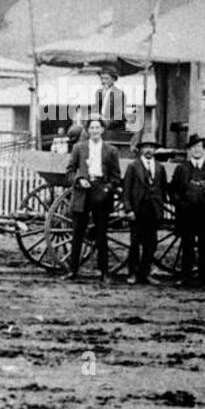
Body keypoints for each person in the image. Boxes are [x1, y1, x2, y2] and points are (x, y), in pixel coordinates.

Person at [62, 115, 122, 283]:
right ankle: (72, 270)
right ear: (87, 131)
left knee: (101, 234)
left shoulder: (111, 150)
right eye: (92, 128)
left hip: (101, 193)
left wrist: (106, 188)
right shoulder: (79, 148)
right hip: (82, 192)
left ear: (102, 130)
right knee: (78, 233)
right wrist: (78, 180)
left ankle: (104, 272)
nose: (95, 131)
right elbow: (70, 171)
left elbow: (116, 177)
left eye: (98, 127)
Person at [169, 134, 205, 287]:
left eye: (200, 147)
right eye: (194, 147)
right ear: (190, 150)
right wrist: (180, 204)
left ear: (204, 149)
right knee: (187, 245)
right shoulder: (181, 168)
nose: (197, 150)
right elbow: (172, 190)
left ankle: (204, 277)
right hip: (187, 214)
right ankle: (186, 276)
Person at [122, 135, 166, 285]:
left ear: (155, 150)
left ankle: (145, 273)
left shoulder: (160, 168)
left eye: (151, 147)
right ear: (140, 149)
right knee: (135, 242)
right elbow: (126, 191)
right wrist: (128, 209)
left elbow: (162, 189)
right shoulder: (133, 167)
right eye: (145, 147)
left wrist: (161, 208)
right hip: (137, 209)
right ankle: (133, 273)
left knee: (151, 243)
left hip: (153, 210)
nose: (148, 150)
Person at [93, 66, 127, 135]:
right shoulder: (99, 93)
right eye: (102, 78)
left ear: (113, 79)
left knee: (88, 130)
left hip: (114, 125)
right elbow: (96, 109)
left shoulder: (118, 93)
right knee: (76, 129)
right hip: (100, 122)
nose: (103, 81)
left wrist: (103, 120)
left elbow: (118, 116)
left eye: (106, 78)